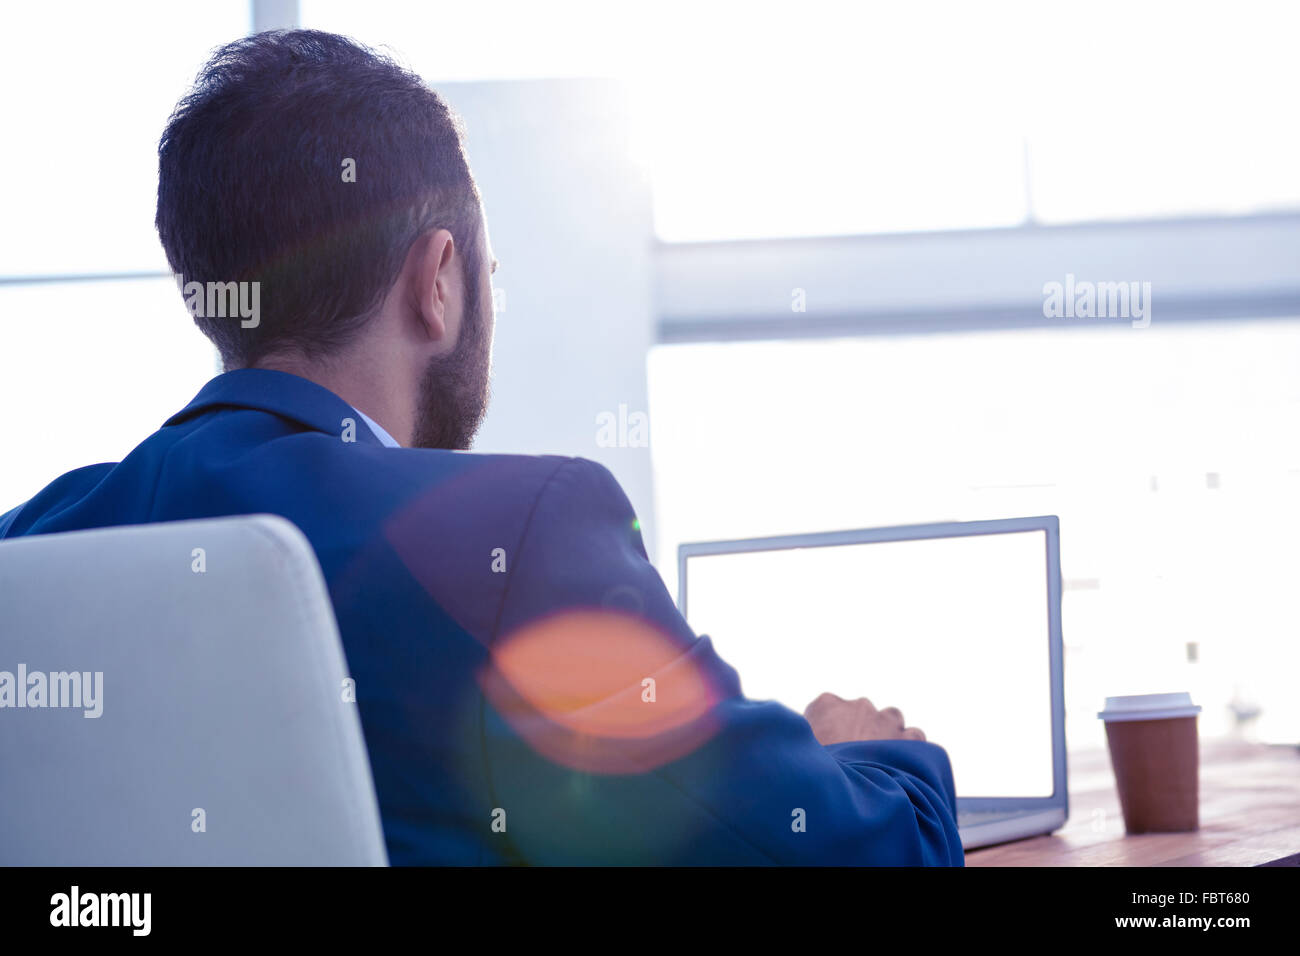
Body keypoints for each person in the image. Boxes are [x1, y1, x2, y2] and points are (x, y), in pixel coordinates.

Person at [0, 29, 962, 865]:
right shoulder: (517, 539)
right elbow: (843, 854)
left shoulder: (32, 548)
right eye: (488, 270)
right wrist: (873, 760)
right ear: (439, 282)